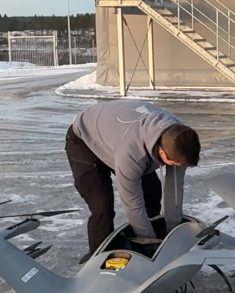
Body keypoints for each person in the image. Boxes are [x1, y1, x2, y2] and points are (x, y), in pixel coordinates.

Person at [65, 99, 201, 263]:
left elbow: (175, 190)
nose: (176, 167)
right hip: (85, 140)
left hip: (117, 134)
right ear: (161, 151)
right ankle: (97, 258)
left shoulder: (181, 140)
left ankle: (154, 236)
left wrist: (173, 233)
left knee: (151, 193)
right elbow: (131, 202)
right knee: (102, 205)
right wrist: (149, 243)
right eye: (172, 163)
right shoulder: (131, 153)